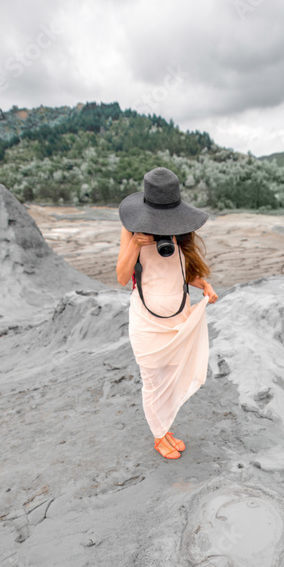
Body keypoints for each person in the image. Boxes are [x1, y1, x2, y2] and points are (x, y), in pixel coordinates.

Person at [116, 167, 218, 459]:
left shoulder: (180, 227)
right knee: (153, 379)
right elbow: (123, 277)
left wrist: (205, 285)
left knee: (173, 374)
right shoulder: (132, 228)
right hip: (147, 320)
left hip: (178, 316)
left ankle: (164, 426)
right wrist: (136, 243)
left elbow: (182, 272)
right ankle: (159, 435)